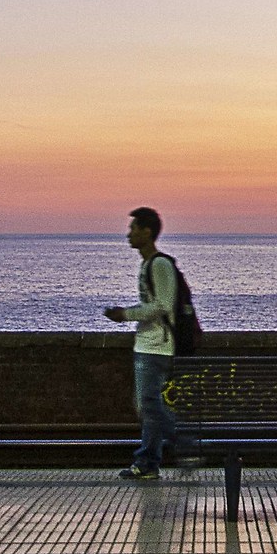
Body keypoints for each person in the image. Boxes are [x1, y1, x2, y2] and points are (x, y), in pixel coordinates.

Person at [103, 206, 181, 481]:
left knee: (149, 404)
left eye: (133, 229)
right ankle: (148, 462)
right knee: (147, 406)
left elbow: (162, 305)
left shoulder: (160, 264)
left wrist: (126, 314)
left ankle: (185, 442)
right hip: (146, 344)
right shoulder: (147, 264)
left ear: (147, 233)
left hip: (158, 346)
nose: (128, 235)